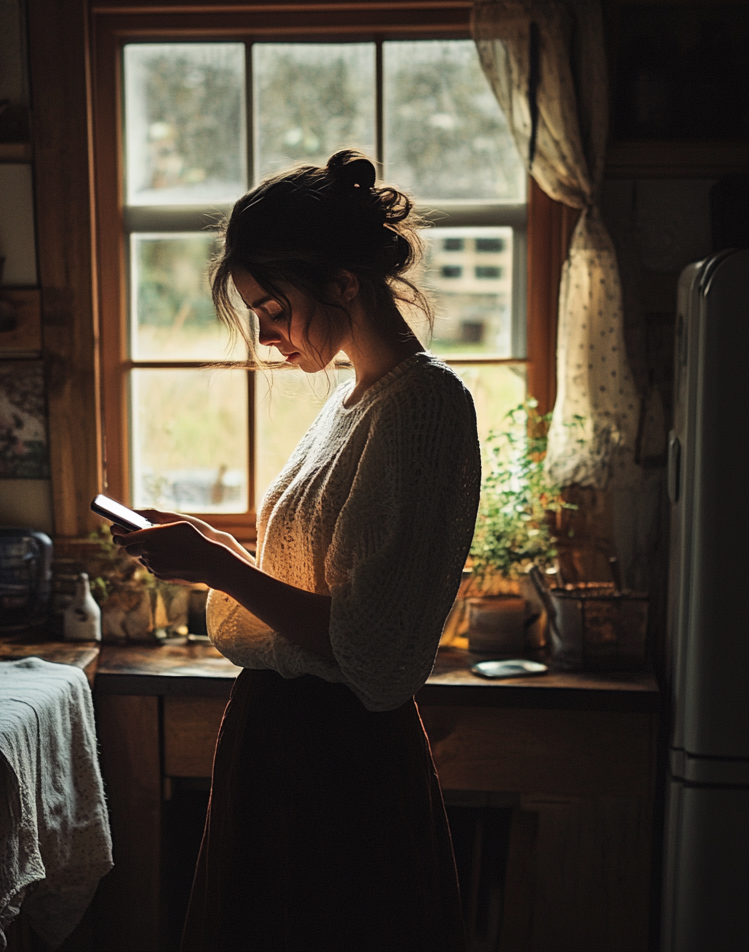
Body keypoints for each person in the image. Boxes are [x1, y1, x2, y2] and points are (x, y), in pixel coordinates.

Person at [112, 149, 480, 952]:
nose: (267, 334)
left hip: (340, 767)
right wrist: (215, 547)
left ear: (343, 282)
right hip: (280, 745)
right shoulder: (351, 400)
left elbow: (367, 646)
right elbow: (313, 576)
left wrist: (217, 568)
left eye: (273, 306)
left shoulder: (425, 407)